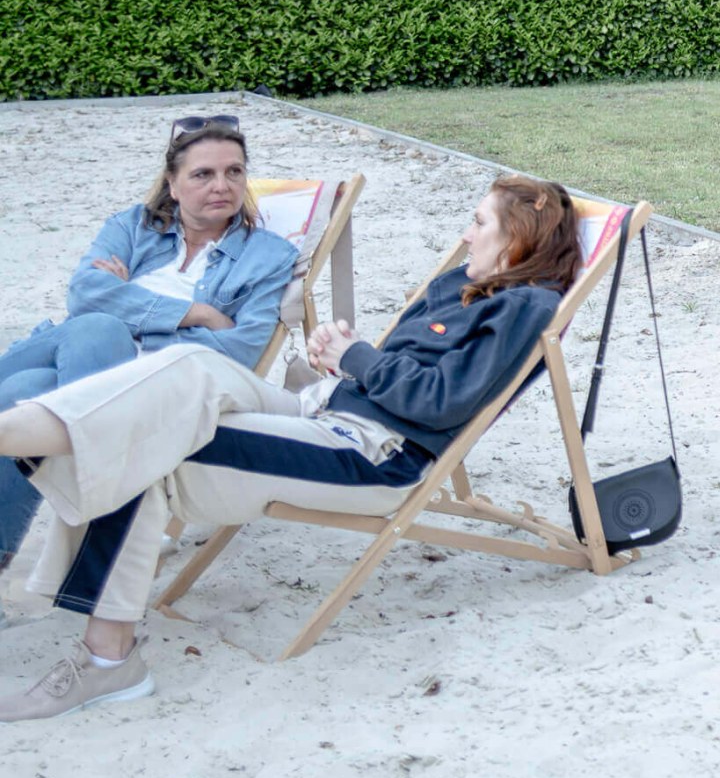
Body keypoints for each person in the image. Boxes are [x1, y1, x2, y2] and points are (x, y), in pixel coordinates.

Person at [0, 175, 584, 720]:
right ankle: (104, 649)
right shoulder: (463, 284)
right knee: (191, 365)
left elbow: (438, 402)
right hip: (327, 410)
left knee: (143, 442)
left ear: (517, 239)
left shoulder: (524, 307)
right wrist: (346, 356)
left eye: (479, 223)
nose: (466, 235)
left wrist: (357, 357)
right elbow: (403, 371)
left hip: (373, 453)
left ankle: (107, 660)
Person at [0, 117, 297, 596]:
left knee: (21, 393)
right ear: (173, 186)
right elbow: (84, 295)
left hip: (145, 383)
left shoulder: (269, 256)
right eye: (203, 174)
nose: (222, 186)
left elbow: (238, 351)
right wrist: (197, 314)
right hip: (72, 352)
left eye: (234, 172)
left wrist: (127, 311)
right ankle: (110, 505)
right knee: (97, 329)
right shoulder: (132, 226)